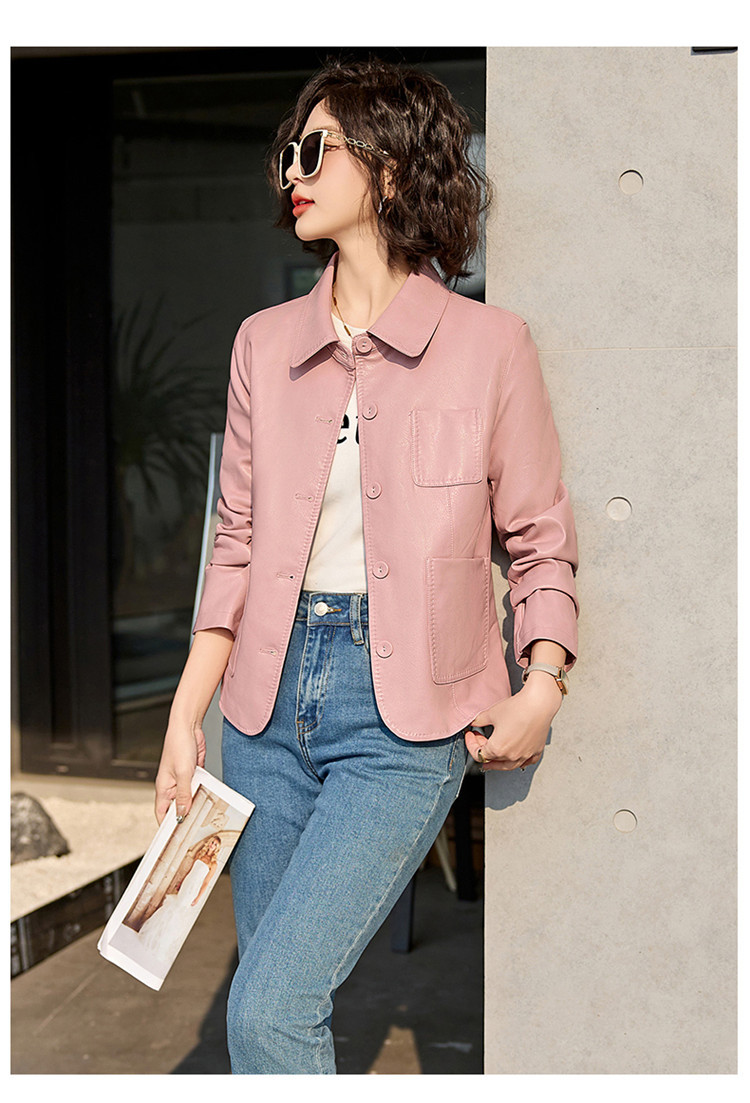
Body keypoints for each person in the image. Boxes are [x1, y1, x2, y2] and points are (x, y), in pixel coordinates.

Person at [154, 56, 579, 1075]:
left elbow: (539, 535)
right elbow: (235, 540)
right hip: (261, 711)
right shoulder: (263, 345)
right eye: (287, 154)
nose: (290, 173)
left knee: (267, 1010)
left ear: (389, 166)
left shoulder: (489, 345)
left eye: (315, 150)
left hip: (406, 721)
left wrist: (544, 682)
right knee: (273, 1010)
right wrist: (185, 711)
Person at [137, 836, 222, 962]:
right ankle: (156, 936)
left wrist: (198, 897)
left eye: (215, 844)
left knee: (179, 910)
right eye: (212, 842)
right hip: (187, 883)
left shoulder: (213, 864)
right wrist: (181, 882)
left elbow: (206, 883)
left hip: (193, 888)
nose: (212, 845)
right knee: (174, 906)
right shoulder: (200, 854)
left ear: (217, 848)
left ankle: (164, 943)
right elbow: (190, 871)